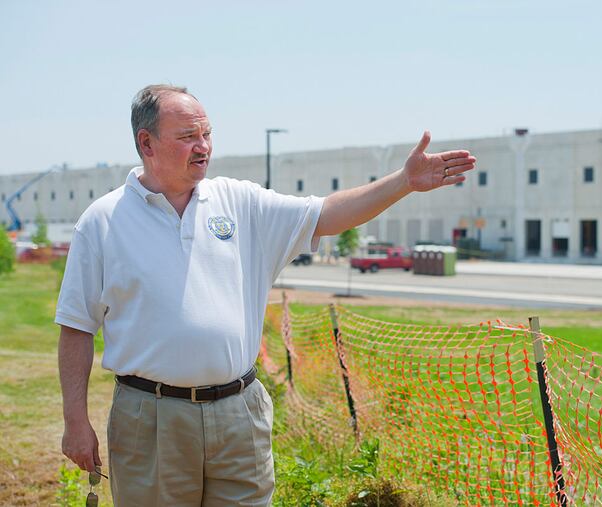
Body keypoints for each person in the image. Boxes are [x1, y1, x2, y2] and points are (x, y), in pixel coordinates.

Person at [56, 84, 476, 506]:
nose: (203, 147)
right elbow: (76, 326)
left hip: (239, 415)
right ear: (146, 142)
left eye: (207, 134)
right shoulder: (104, 222)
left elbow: (327, 213)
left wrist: (403, 182)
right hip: (152, 419)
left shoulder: (239, 202)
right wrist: (76, 420)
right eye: (187, 137)